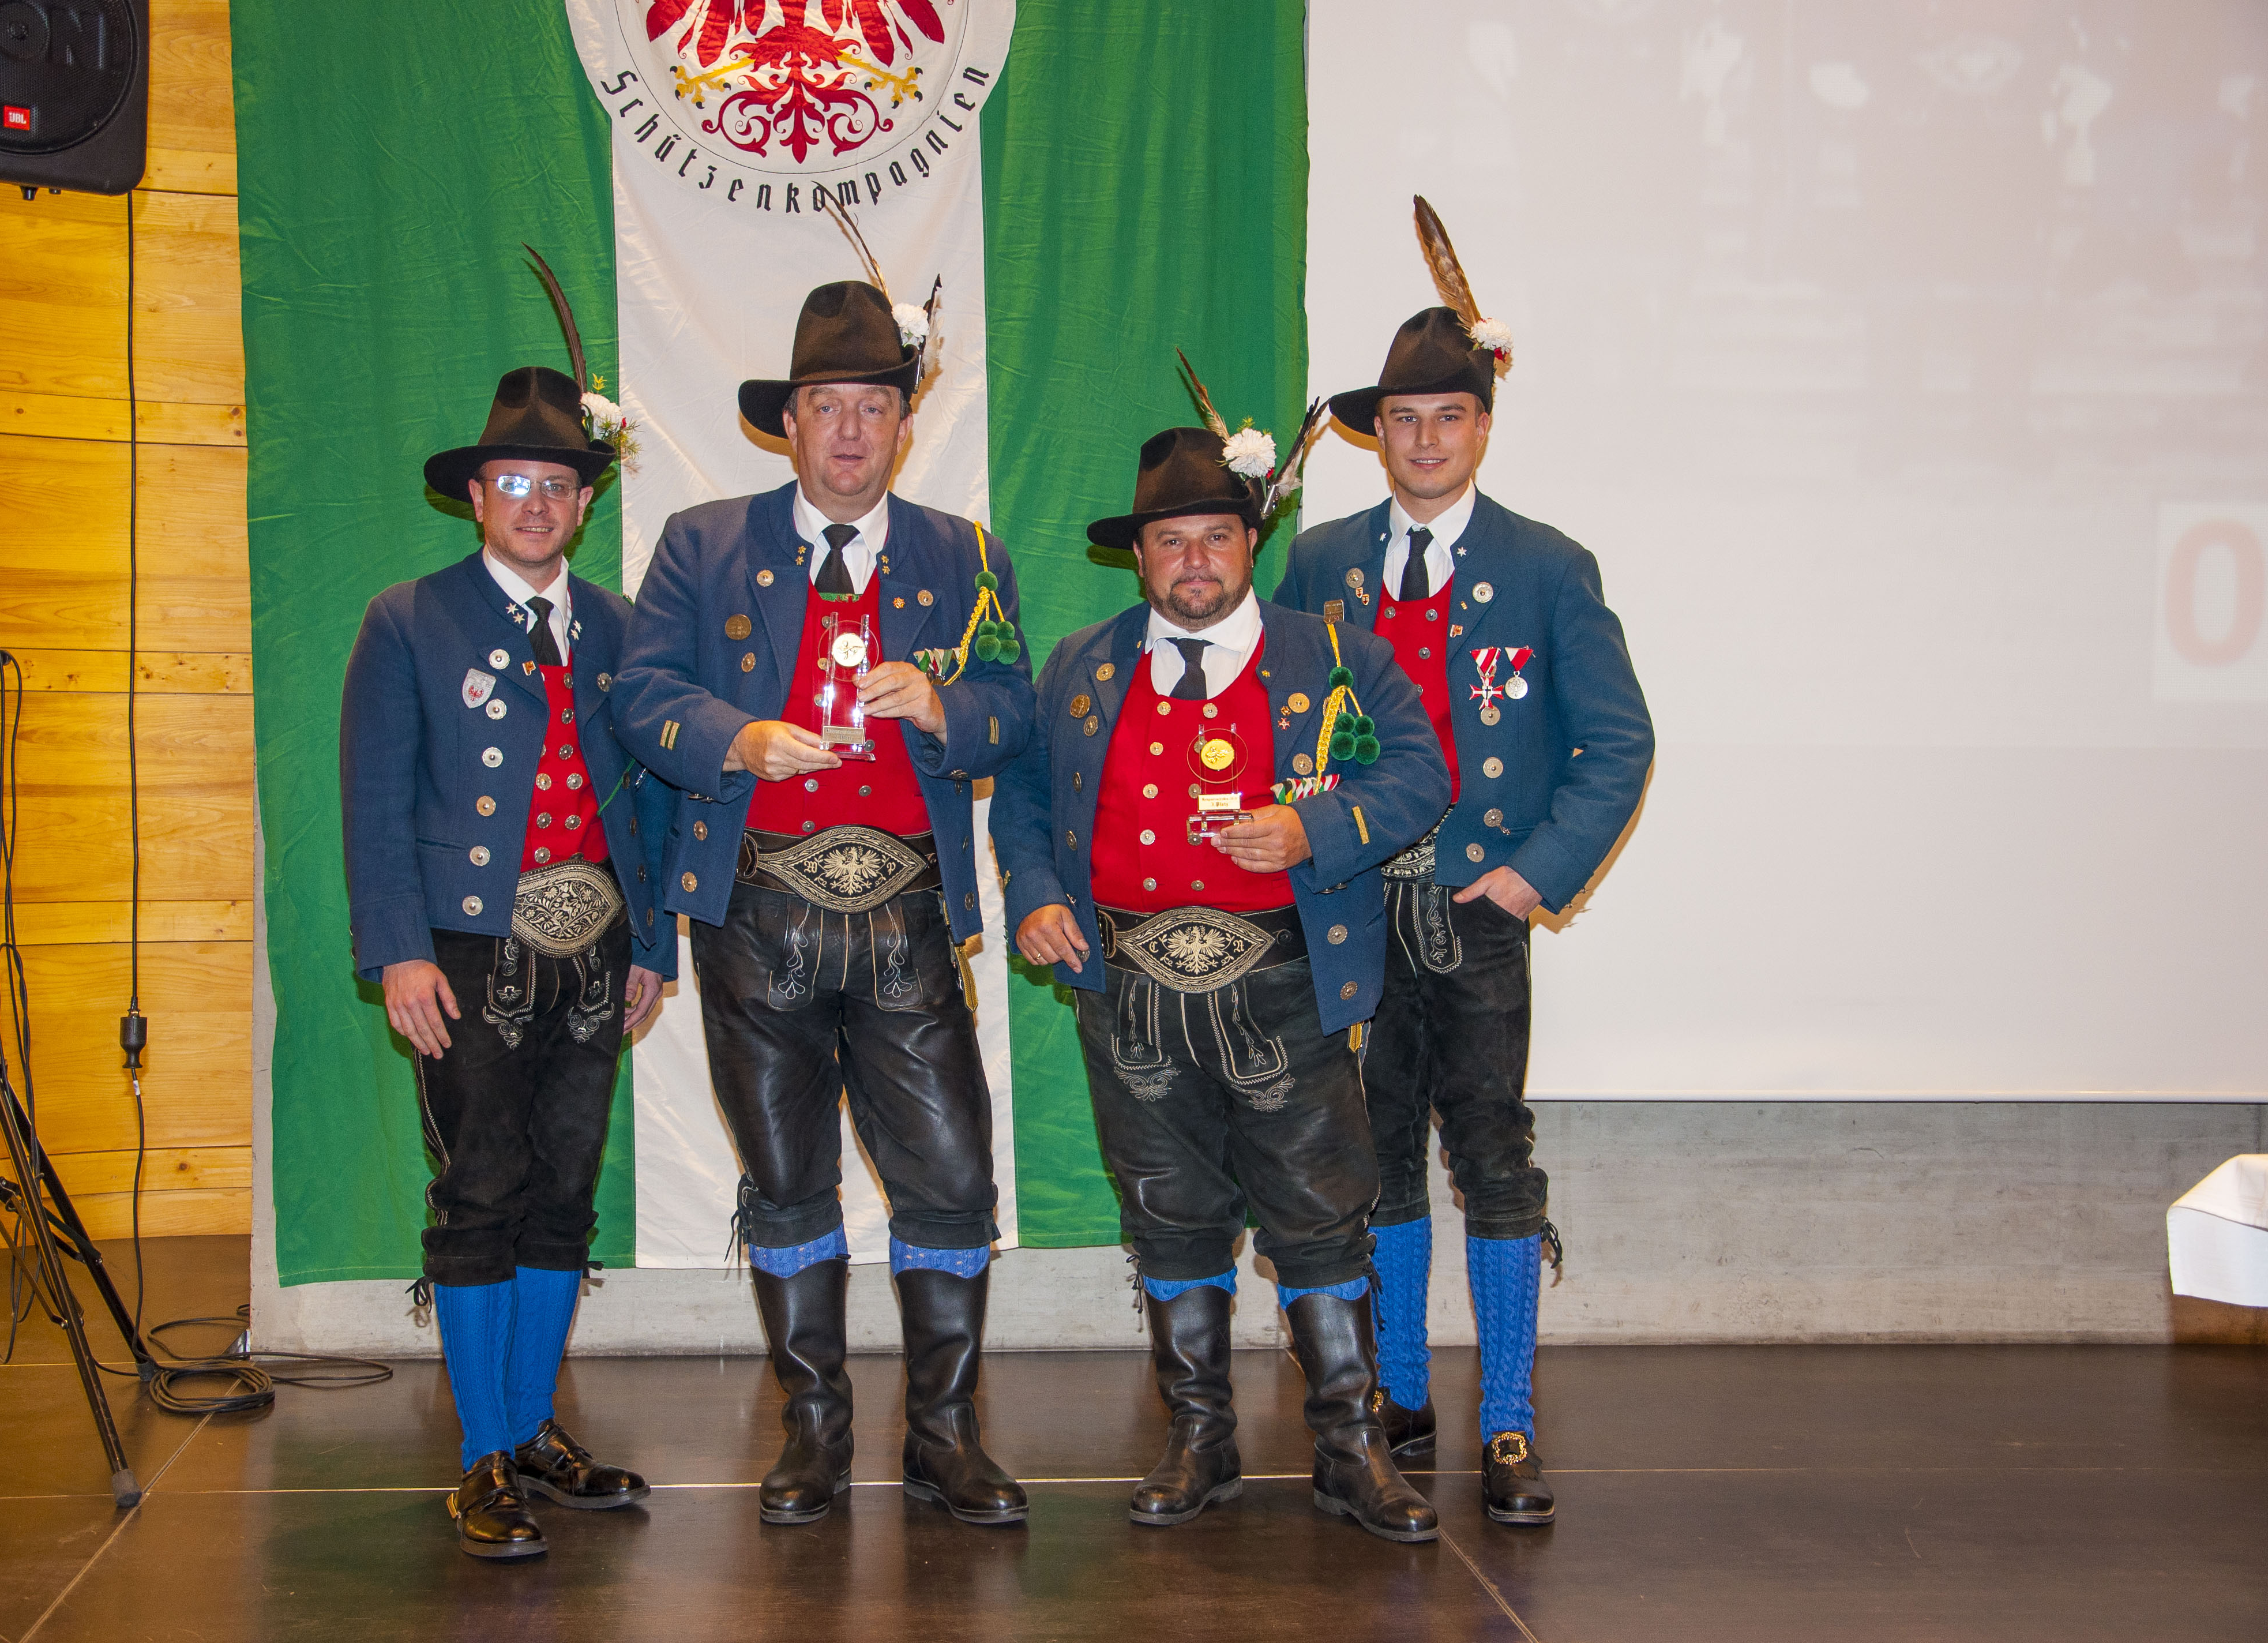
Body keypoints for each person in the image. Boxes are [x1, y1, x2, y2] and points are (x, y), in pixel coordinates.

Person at [616, 280, 1035, 1528]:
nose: (849, 430)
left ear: (903, 425)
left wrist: (948, 710)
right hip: (755, 918)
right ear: (785, 424)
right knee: (787, 1177)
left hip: (908, 917)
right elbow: (638, 693)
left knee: (951, 1175)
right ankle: (812, 1428)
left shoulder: (967, 557)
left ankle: (945, 1436)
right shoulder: (700, 542)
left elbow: (1014, 709)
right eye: (824, 406)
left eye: (872, 406)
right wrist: (736, 736)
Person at [992, 423, 1452, 1544]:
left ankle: (1349, 1446)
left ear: (1249, 541)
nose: (1192, 559)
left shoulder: (1331, 653)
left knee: (1321, 1216)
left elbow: (1419, 775)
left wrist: (1314, 823)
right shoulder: (1081, 664)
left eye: (1213, 535)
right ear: (1137, 557)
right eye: (1168, 540)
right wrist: (1037, 894)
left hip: (1283, 991)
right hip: (1130, 996)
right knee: (1167, 1216)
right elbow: (1021, 799)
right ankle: (1198, 1438)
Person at [1272, 213, 1655, 1524]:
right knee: (1370, 1160)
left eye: (1447, 415)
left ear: (1482, 425)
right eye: (1401, 418)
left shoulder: (1549, 568)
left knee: (1491, 1158)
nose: (1423, 438)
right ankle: (1397, 1396)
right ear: (1375, 431)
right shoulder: (1318, 562)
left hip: (1479, 912)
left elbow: (1618, 741)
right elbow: (1283, 724)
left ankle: (1502, 1420)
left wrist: (1533, 876)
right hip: (1355, 914)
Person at [341, 364, 675, 1559]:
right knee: (480, 1185)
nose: (536, 503)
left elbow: (649, 803)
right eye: (513, 482)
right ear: (477, 497)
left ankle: (534, 1428)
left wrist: (652, 941)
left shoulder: (624, 629)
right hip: (465, 948)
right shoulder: (408, 618)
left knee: (564, 1192)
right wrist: (397, 953)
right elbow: (375, 800)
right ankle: (481, 1448)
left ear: (582, 505)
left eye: (557, 484)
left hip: (597, 946)